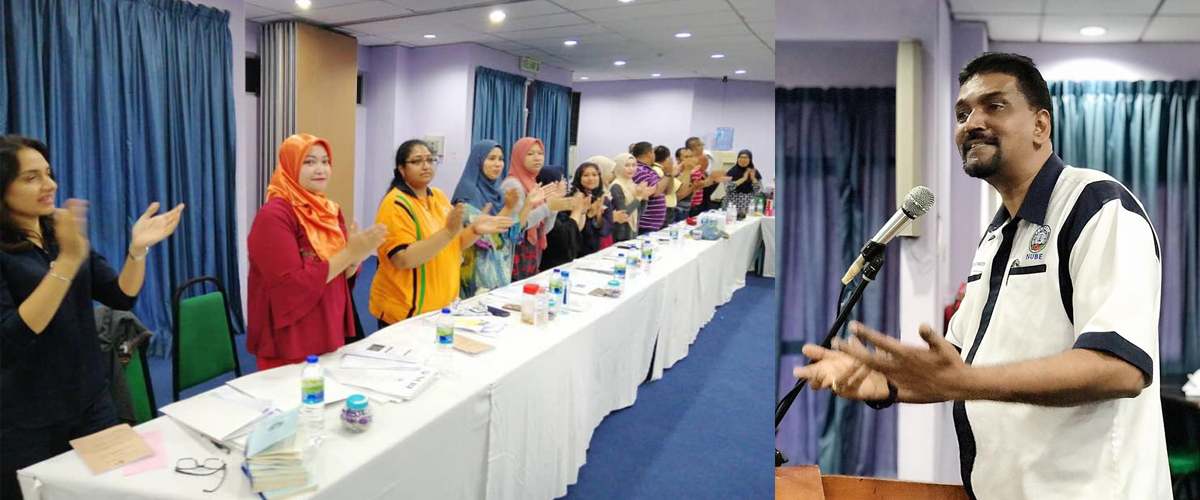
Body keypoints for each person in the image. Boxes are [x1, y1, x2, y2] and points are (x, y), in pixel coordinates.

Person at [793, 53, 1170, 500]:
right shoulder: (996, 236)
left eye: (994, 106)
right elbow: (957, 363)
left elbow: (1120, 367)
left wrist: (963, 381)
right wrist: (884, 382)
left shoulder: (1097, 207)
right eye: (962, 113)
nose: (972, 123)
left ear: (1040, 125)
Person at [0, 135, 184, 500]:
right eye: (31, 177)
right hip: (25, 418)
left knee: (116, 490)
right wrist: (67, 262)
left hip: (90, 399)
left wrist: (138, 249)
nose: (50, 185)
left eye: (48, 173)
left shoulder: (58, 232)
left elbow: (120, 295)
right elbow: (11, 337)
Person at [246, 134, 385, 371]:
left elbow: (340, 274)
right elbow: (289, 287)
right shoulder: (275, 215)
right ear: (290, 165)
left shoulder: (329, 210)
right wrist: (349, 253)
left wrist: (354, 260)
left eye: (325, 161)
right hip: (291, 334)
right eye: (309, 162)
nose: (320, 169)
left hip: (328, 322)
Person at [370, 139, 514, 327]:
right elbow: (403, 259)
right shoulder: (395, 204)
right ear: (402, 169)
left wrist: (475, 230)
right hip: (406, 313)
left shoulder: (438, 196)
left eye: (430, 160)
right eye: (417, 161)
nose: (426, 166)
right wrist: (447, 232)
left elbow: (456, 243)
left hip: (441, 309)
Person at [451, 140, 550, 299]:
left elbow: (512, 233)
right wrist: (508, 209)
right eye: (491, 158)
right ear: (478, 161)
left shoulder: (497, 194)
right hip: (474, 280)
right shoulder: (467, 195)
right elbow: (486, 237)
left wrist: (528, 204)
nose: (498, 164)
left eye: (501, 159)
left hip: (499, 278)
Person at [506, 137, 569, 281]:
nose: (537, 158)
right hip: (515, 260)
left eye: (540, 153)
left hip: (532, 258)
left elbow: (543, 230)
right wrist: (548, 207)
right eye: (530, 154)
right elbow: (518, 227)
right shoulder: (513, 185)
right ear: (518, 157)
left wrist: (553, 207)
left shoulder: (532, 183)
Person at [541, 162, 613, 270]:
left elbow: (608, 229)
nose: (591, 178)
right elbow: (571, 231)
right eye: (586, 175)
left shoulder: (603, 198)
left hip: (594, 250)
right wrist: (586, 214)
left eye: (594, 175)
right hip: (571, 254)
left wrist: (597, 216)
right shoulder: (570, 198)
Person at [632, 142, 670, 234]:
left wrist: (670, 174)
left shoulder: (649, 170)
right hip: (645, 224)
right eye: (653, 152)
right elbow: (656, 192)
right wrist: (667, 172)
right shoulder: (640, 170)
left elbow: (665, 189)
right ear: (649, 154)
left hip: (652, 225)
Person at [608, 153, 645, 243]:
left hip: (632, 231)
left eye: (634, 165)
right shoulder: (616, 186)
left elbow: (639, 212)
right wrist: (638, 198)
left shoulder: (632, 184)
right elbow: (623, 214)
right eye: (627, 165)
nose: (631, 169)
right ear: (619, 167)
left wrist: (645, 198)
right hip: (621, 233)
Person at [723, 149, 762, 214]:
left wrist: (753, 178)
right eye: (741, 157)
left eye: (746, 158)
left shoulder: (754, 172)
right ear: (737, 158)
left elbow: (758, 190)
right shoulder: (731, 172)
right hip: (732, 205)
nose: (743, 160)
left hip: (749, 207)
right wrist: (743, 179)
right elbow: (727, 188)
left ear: (750, 159)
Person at [653, 145, 681, 226]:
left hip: (666, 209)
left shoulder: (658, 169)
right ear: (667, 158)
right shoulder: (659, 171)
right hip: (665, 208)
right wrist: (670, 171)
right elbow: (672, 189)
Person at [672, 147, 702, 222]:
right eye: (686, 157)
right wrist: (693, 187)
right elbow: (678, 196)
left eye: (691, 156)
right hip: (677, 210)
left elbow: (691, 196)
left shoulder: (691, 172)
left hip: (687, 208)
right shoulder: (675, 173)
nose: (689, 159)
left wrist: (695, 187)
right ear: (678, 159)